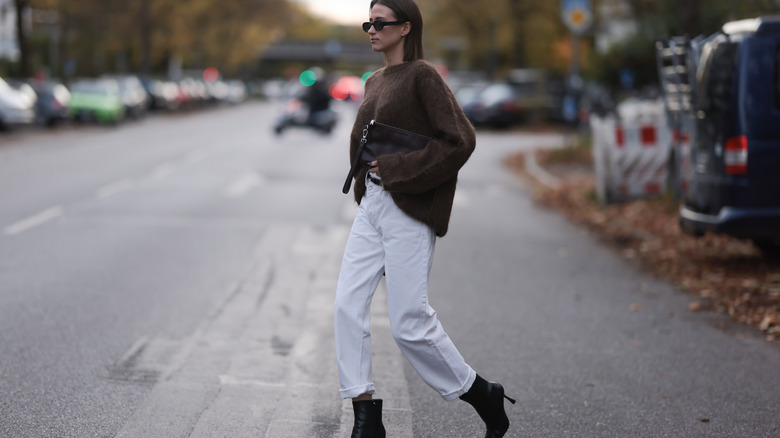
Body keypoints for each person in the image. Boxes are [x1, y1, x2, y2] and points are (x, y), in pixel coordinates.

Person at [334, 1, 515, 437]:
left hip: (408, 208)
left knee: (409, 323)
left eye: (380, 23)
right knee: (346, 306)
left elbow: (460, 141)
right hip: (373, 207)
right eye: (368, 24)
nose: (372, 30)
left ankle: (482, 393)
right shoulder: (375, 79)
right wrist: (365, 178)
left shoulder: (423, 76)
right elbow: (364, 139)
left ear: (406, 27)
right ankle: (365, 416)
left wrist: (396, 169)